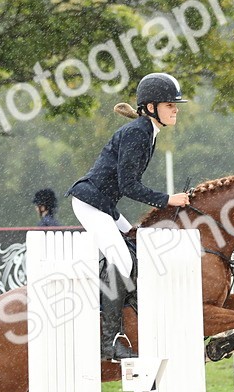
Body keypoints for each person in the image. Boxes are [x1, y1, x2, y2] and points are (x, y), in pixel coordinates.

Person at [65, 72, 192, 361]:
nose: (176, 109)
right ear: (151, 108)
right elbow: (128, 185)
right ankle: (109, 341)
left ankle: (127, 310)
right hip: (90, 202)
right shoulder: (137, 133)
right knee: (121, 260)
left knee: (135, 245)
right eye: (169, 104)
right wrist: (167, 200)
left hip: (104, 205)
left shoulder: (147, 132)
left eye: (175, 104)